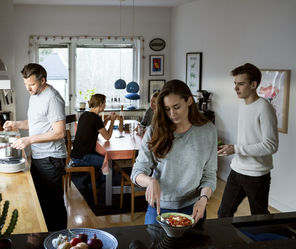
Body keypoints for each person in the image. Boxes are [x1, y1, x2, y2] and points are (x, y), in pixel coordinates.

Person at [130, 79, 217, 226]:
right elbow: (137, 171)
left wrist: (204, 199)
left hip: (193, 207)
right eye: (167, 109)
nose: (172, 114)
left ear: (189, 101)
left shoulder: (208, 131)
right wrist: (150, 181)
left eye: (177, 107)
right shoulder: (154, 131)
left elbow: (209, 174)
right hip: (159, 208)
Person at [3, 63, 67, 231]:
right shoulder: (35, 95)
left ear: (43, 80)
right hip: (39, 156)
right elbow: (36, 123)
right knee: (42, 201)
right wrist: (17, 124)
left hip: (51, 158)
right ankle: (48, 238)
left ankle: (58, 239)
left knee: (53, 204)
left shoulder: (52, 98)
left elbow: (60, 132)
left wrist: (29, 140)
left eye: (31, 84)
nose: (28, 88)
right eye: (25, 84)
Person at [217, 63, 278, 217]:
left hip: (257, 175)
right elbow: (248, 140)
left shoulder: (264, 108)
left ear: (253, 84)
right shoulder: (244, 105)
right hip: (237, 170)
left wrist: (236, 149)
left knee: (259, 218)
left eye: (241, 84)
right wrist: (231, 148)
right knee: (223, 213)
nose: (236, 88)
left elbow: (271, 146)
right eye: (235, 84)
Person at [70, 94, 117, 170]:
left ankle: (98, 177)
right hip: (83, 157)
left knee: (105, 159)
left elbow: (98, 127)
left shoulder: (85, 114)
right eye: (105, 103)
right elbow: (107, 137)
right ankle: (102, 181)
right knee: (110, 163)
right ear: (101, 104)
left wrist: (107, 119)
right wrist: (112, 121)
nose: (105, 105)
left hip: (76, 155)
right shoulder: (96, 118)